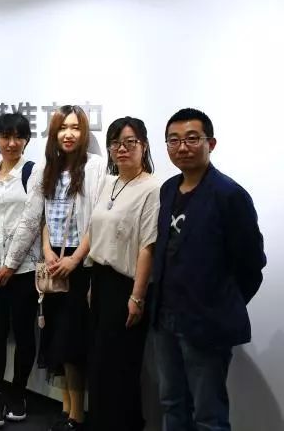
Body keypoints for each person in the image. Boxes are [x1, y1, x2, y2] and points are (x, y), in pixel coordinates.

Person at [151, 108, 265, 431]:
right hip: (165, 319)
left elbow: (251, 264)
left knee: (208, 415)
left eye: (191, 138)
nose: (182, 147)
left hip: (205, 322)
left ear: (210, 143)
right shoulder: (168, 189)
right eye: (174, 140)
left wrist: (221, 303)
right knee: (171, 403)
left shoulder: (229, 195)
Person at [4, 105, 106, 431]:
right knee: (55, 341)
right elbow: (45, 217)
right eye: (63, 128)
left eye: (75, 127)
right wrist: (47, 250)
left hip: (80, 262)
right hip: (53, 260)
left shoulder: (95, 167)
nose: (69, 134)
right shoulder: (50, 168)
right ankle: (65, 409)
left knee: (73, 343)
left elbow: (97, 220)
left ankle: (77, 416)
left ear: (84, 132)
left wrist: (75, 260)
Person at [86, 117, 160, 431]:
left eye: (130, 142)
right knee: (100, 362)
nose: (122, 149)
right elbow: (96, 232)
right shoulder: (109, 182)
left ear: (144, 146)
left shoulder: (153, 188)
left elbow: (148, 246)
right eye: (116, 143)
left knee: (122, 365)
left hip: (128, 286)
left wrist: (137, 296)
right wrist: (92, 281)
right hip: (101, 280)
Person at [0, 113, 40, 427]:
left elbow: (31, 221)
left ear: (26, 140)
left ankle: (18, 392)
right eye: (5, 136)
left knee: (24, 333)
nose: (11, 143)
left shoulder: (33, 172)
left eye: (18, 137)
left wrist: (9, 266)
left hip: (23, 271)